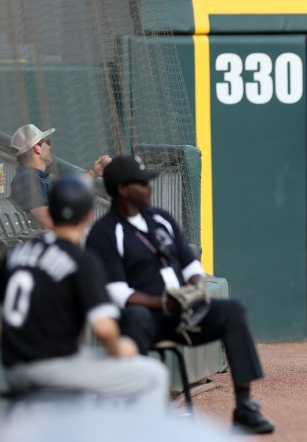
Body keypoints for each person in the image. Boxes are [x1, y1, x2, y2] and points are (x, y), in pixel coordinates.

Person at [85, 155, 274, 435]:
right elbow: (116, 292)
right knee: (134, 316)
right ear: (123, 189)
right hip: (145, 319)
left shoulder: (161, 218)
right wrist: (163, 303)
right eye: (142, 183)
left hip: (184, 315)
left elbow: (190, 265)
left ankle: (245, 407)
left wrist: (196, 289)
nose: (149, 188)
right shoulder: (104, 232)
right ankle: (137, 414)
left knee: (232, 310)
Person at [0, 175, 170, 409]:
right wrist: (121, 348)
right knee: (153, 375)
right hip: (54, 370)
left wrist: (4, 342)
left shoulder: (21, 252)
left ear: (50, 214)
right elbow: (104, 329)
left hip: (14, 368)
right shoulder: (81, 259)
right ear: (88, 216)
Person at [9, 124, 111, 229]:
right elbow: (49, 221)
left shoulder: (37, 177)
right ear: (37, 148)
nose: (50, 147)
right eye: (47, 142)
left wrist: (94, 172)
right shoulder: (26, 179)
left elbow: (69, 190)